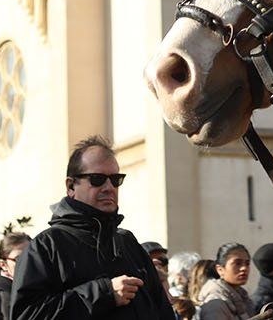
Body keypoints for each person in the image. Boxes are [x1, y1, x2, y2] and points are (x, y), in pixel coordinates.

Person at [11, 135, 174, 320]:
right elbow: (27, 315)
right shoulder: (47, 246)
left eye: (115, 179)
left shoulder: (127, 243)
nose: (108, 187)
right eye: (97, 179)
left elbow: (162, 309)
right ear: (71, 186)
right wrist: (103, 293)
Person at [195, 244, 252, 320]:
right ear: (220, 269)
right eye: (237, 263)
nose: (244, 268)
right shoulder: (215, 303)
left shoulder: (243, 297)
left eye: (247, 263)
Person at [0, 232, 31, 320]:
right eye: (19, 259)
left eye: (30, 256)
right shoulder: (3, 296)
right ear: (3, 265)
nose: (27, 262)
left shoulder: (32, 285)